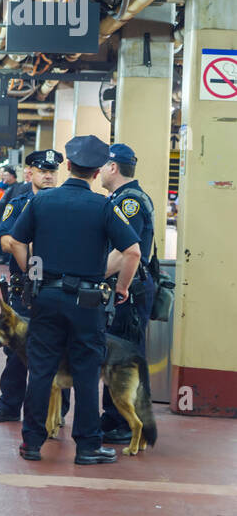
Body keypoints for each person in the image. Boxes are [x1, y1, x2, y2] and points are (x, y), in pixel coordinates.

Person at [7, 135, 142, 465]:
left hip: (46, 297)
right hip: (88, 302)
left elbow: (16, 242)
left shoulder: (40, 202)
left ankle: (32, 443)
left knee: (41, 370)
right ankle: (87, 447)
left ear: (68, 166)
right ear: (97, 173)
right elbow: (133, 252)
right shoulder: (105, 206)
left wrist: (33, 275)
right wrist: (122, 287)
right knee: (85, 373)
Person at [0, 149, 62, 423]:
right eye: (43, 171)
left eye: (53, 172)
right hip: (24, 291)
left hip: (56, 289)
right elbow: (5, 239)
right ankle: (8, 406)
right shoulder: (18, 203)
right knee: (17, 351)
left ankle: (56, 412)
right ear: (30, 173)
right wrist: (30, 253)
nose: (49, 176)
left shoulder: (65, 203)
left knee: (56, 350)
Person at [98, 142, 156, 445]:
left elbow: (126, 251)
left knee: (123, 356)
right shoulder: (122, 197)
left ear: (112, 167)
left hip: (129, 291)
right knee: (118, 353)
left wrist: (95, 273)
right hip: (129, 290)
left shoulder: (128, 201)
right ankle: (114, 418)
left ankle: (123, 423)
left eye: (102, 166)